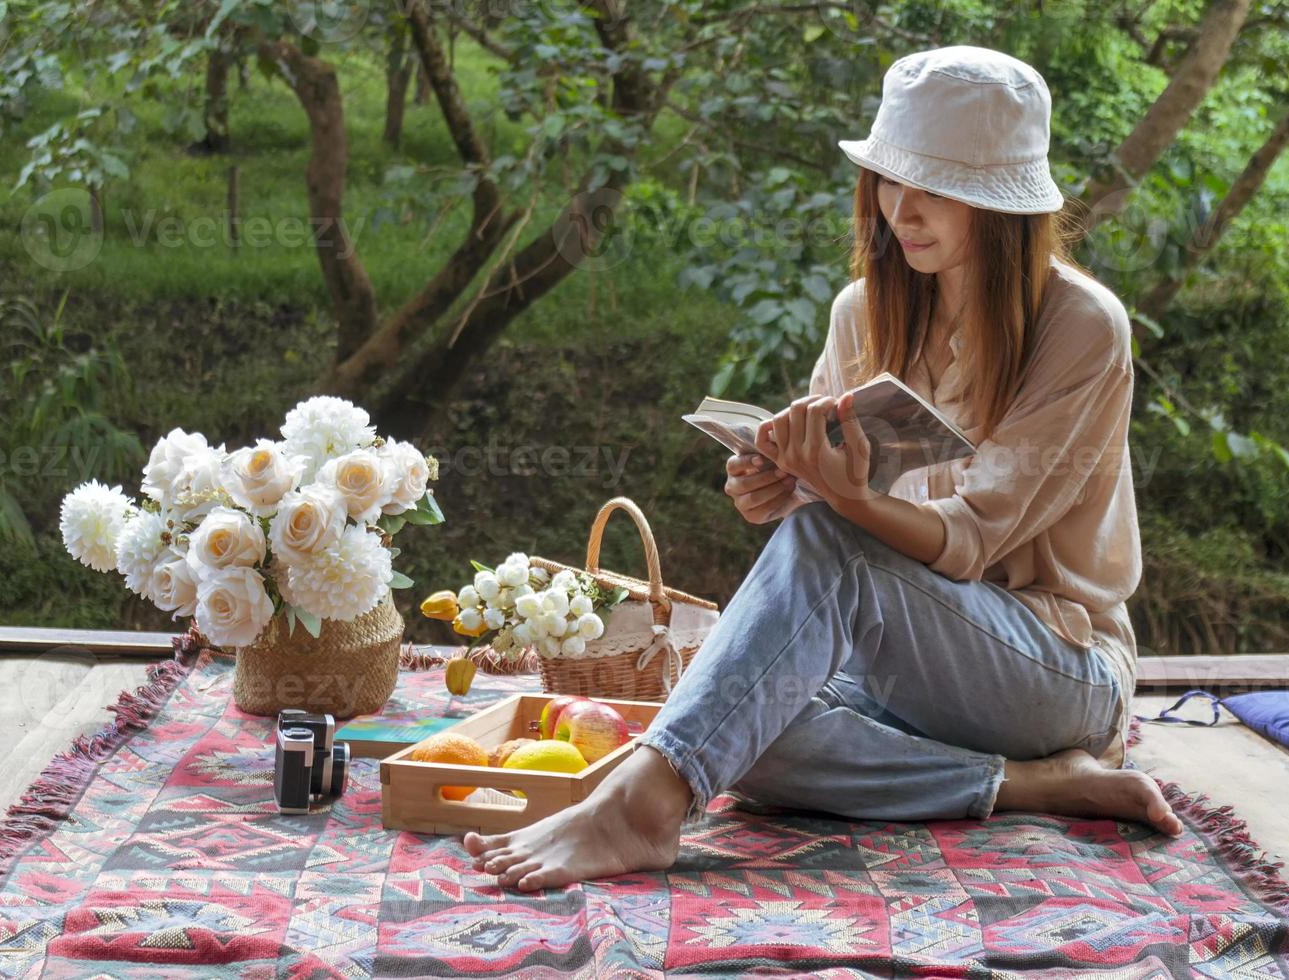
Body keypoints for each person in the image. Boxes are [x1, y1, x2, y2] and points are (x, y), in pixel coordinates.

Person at [464, 45, 1182, 893]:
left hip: (1057, 668)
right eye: (889, 178)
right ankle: (1030, 783)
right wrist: (777, 484)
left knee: (811, 566)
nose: (901, 210)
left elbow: (965, 543)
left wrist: (839, 502)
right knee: (734, 727)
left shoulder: (1082, 328)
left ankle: (640, 808)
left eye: (935, 187)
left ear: (1000, 202)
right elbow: (828, 509)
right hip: (902, 667)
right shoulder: (864, 314)